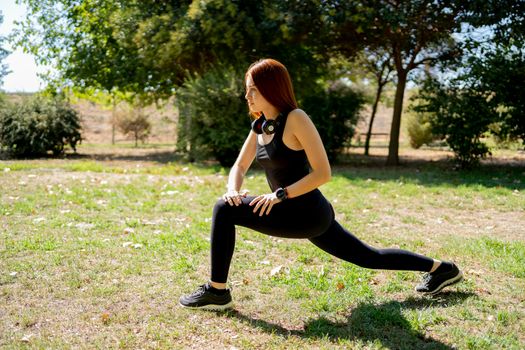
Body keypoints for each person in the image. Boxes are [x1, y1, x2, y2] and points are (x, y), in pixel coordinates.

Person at [179, 58, 463, 310]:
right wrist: (232, 188)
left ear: (271, 88)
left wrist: (280, 194)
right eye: (246, 89)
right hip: (292, 211)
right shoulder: (260, 126)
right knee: (368, 256)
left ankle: (217, 292)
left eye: (252, 88)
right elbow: (240, 165)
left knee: (223, 210)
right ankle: (443, 269)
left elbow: (323, 173)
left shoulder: (296, 119)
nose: (247, 95)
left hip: (307, 213)